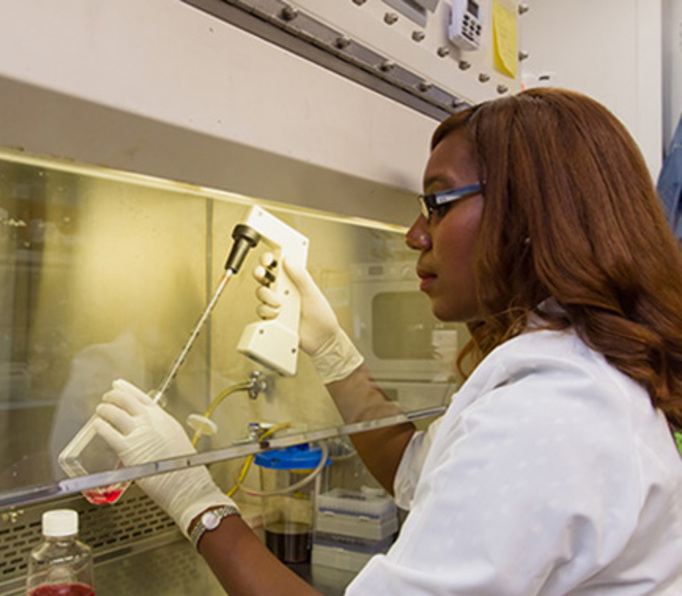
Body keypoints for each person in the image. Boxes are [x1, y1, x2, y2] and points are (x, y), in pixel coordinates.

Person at [92, 88, 682, 595]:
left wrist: (193, 495)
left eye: (437, 203)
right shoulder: (570, 373)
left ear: (528, 214)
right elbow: (413, 471)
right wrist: (330, 349)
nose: (414, 235)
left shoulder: (552, 411)